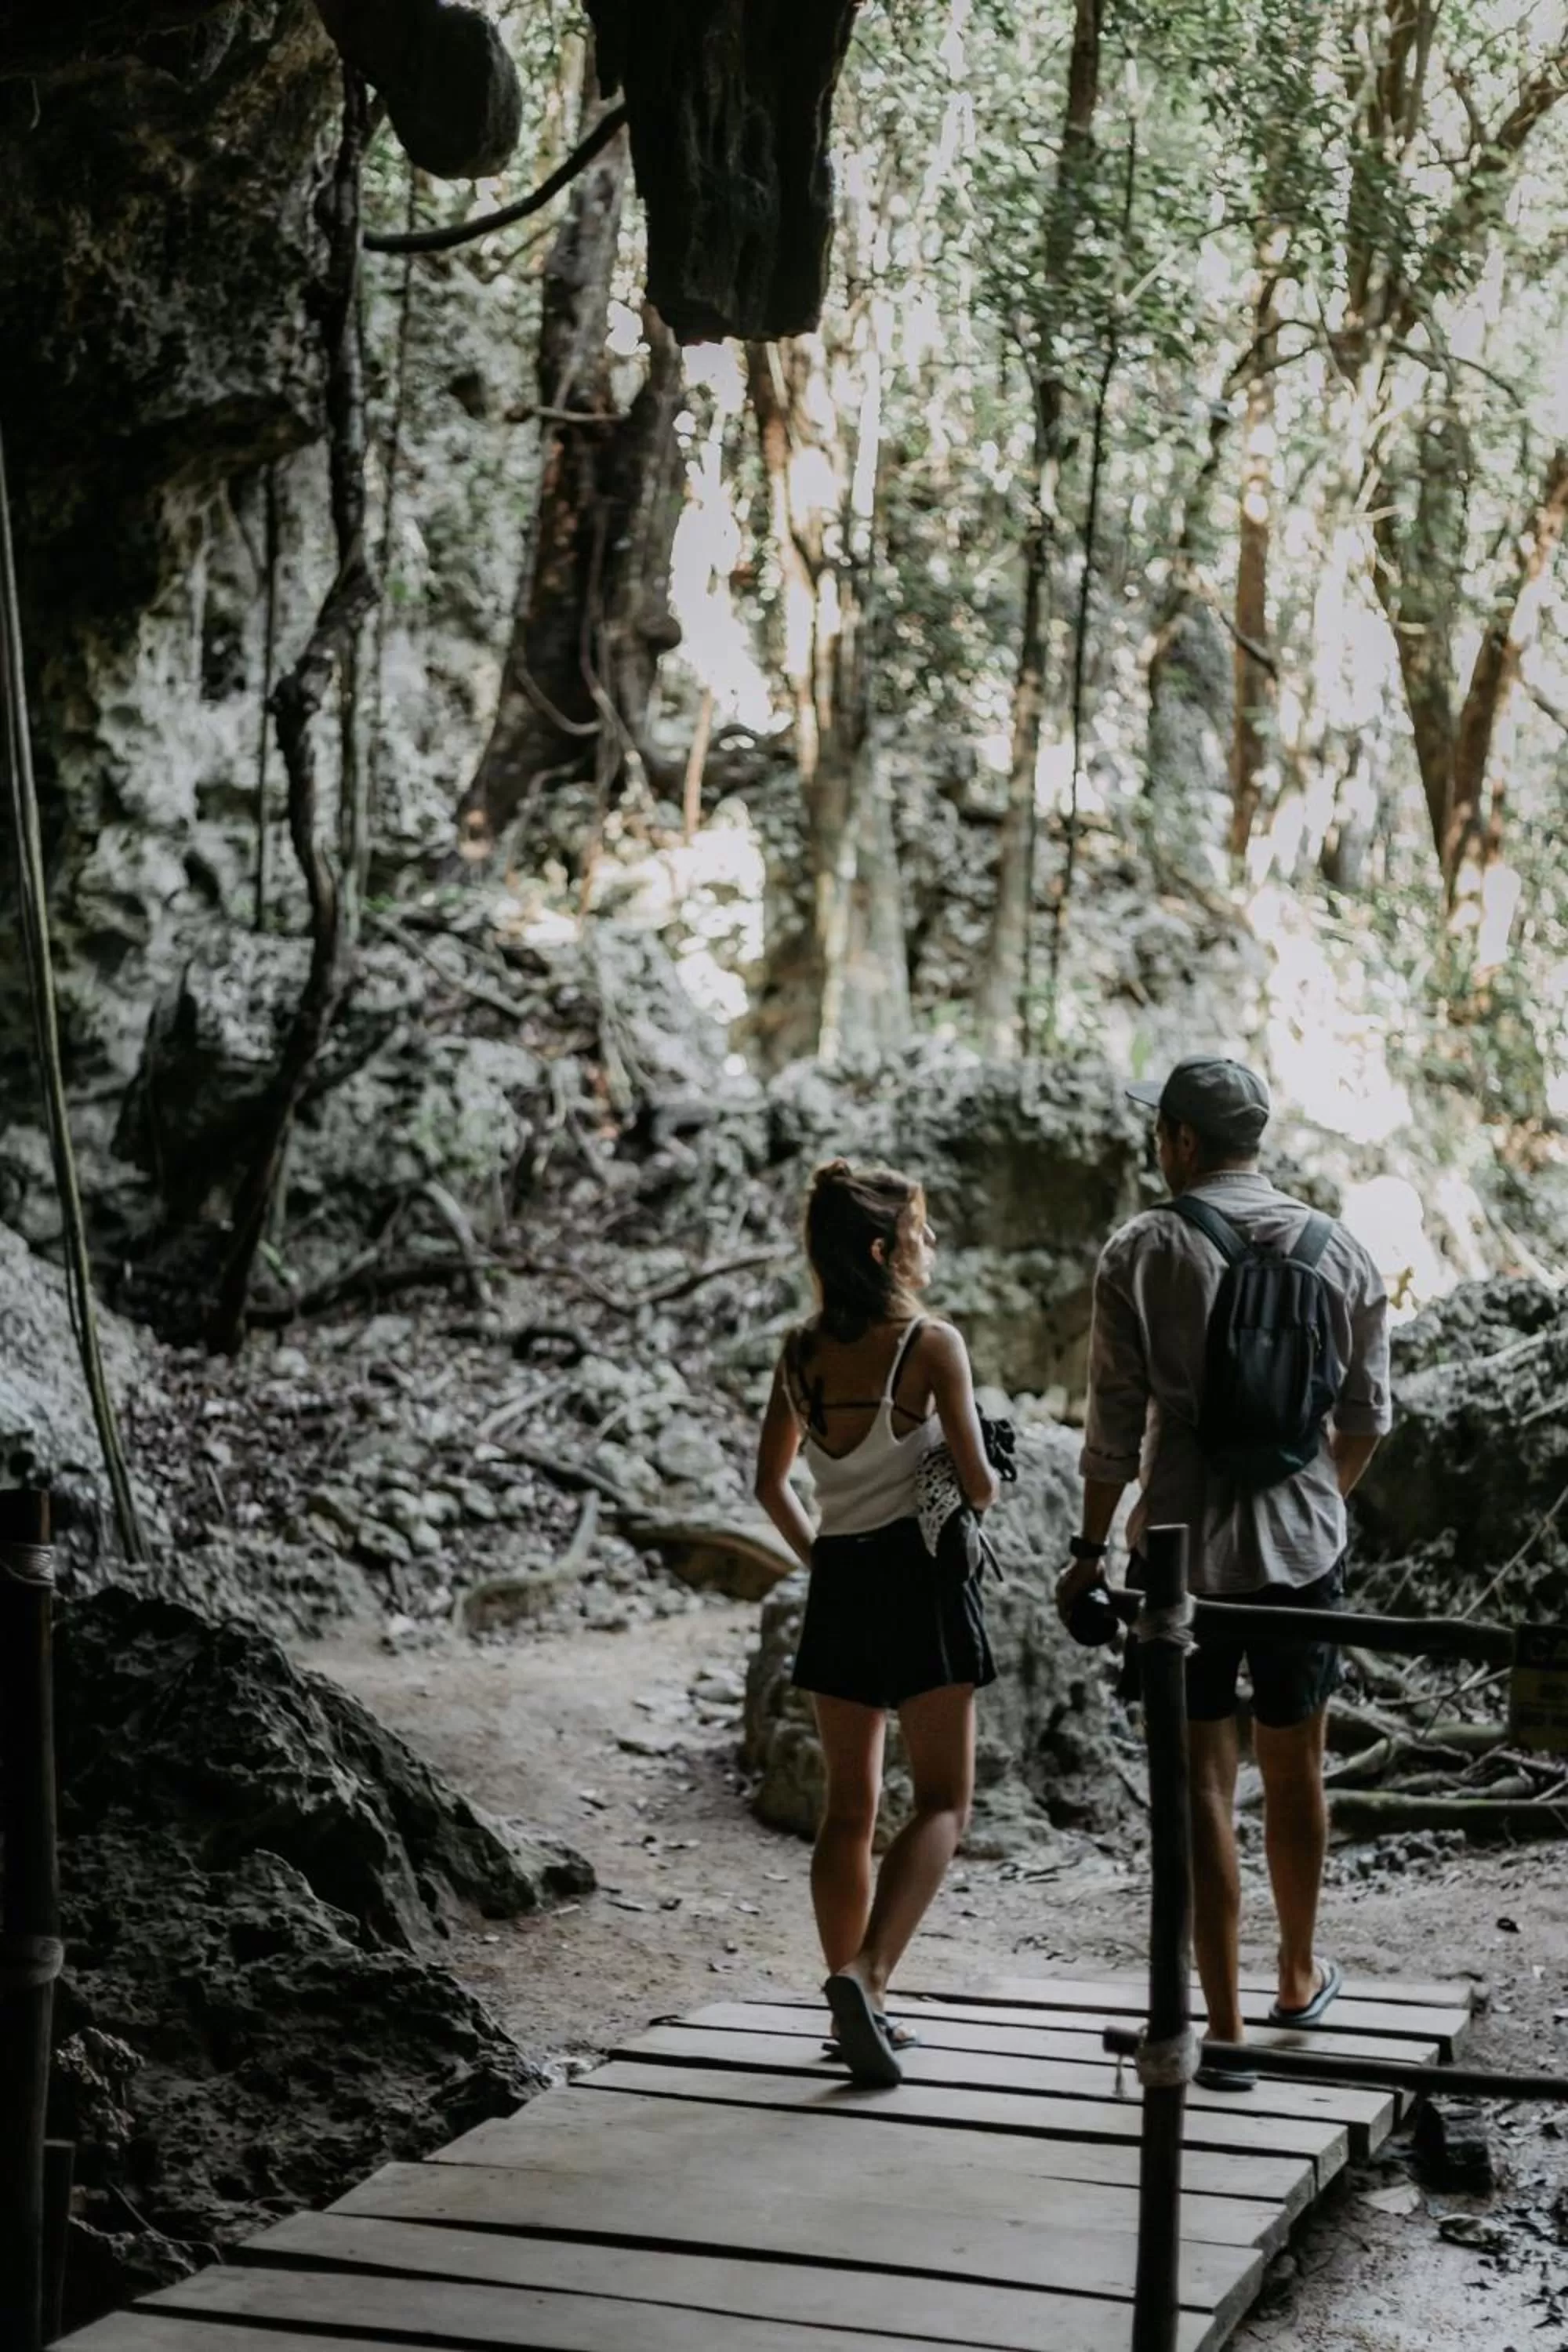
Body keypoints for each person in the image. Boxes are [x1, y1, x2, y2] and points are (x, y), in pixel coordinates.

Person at [1055, 1056, 1391, 2085]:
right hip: (1302, 1551)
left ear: (1183, 1142)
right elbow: (1368, 1416)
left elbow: (1113, 1425)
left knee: (1203, 1783)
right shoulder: (1343, 1251)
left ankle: (1228, 2027)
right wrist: (1314, 1498)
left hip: (1179, 1557)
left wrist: (1089, 1549)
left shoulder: (1144, 1248)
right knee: (1296, 1767)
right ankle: (1297, 1972)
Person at [753, 1158, 1000, 2089]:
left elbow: (769, 1483)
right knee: (942, 1800)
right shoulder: (930, 1345)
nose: (927, 1246)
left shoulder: (798, 1353)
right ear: (879, 1249)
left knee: (847, 1810)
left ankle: (850, 2004)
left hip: (843, 1583)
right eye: (918, 1233)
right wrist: (965, 1455)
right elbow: (977, 1487)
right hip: (923, 1581)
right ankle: (871, 1974)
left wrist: (822, 1559)